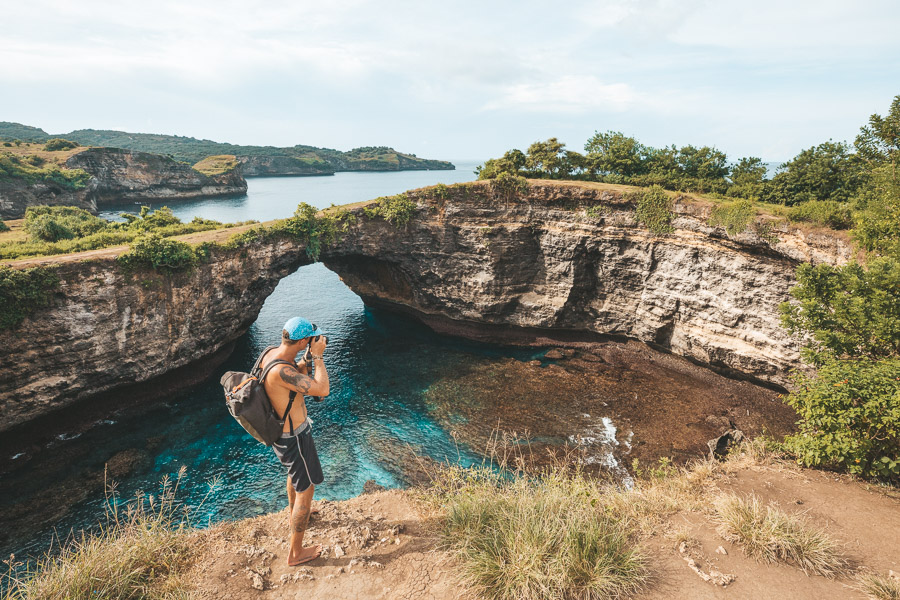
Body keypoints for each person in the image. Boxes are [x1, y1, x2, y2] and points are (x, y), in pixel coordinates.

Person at [261, 316, 330, 567]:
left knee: (295, 475)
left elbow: (291, 377)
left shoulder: (271, 354)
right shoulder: (282, 371)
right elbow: (321, 390)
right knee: (307, 488)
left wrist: (306, 360)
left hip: (283, 435)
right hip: (295, 437)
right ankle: (295, 553)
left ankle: (295, 511)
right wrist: (319, 357)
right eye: (309, 340)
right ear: (302, 341)